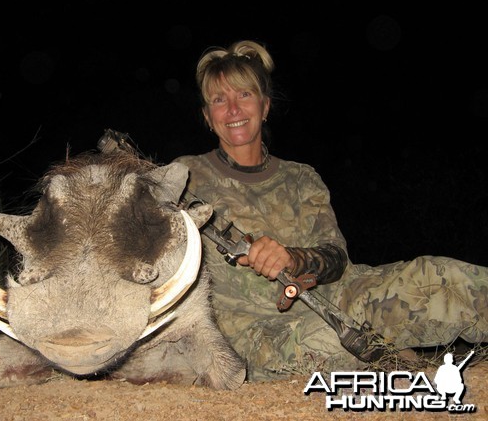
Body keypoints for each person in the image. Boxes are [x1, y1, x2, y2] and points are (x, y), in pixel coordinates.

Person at [173, 40, 488, 382]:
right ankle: (395, 358)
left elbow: (335, 258)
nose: (233, 109)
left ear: (265, 106)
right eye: (219, 100)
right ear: (207, 116)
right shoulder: (183, 178)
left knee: (439, 278)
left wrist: (291, 258)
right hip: (256, 331)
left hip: (339, 298)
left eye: (244, 95)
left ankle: (395, 352)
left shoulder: (301, 178)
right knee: (337, 344)